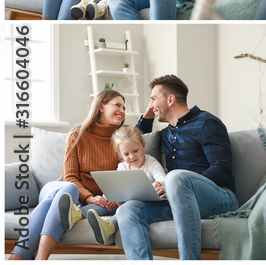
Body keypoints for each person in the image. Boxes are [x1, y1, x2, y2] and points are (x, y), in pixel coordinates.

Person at [116, 75, 237, 259]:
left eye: (153, 98)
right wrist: (148, 114)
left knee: (174, 177)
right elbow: (132, 139)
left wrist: (178, 185)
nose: (151, 104)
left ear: (170, 99)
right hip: (178, 201)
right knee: (127, 210)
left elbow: (222, 169)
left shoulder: (207, 122)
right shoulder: (167, 133)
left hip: (219, 198)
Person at [8, 90, 126, 260]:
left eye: (124, 107)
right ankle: (40, 259)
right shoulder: (78, 134)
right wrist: (89, 198)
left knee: (49, 205)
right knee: (69, 189)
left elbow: (125, 171)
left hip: (73, 202)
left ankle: (21, 258)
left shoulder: (120, 141)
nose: (122, 110)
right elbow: (69, 176)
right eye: (117, 105)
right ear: (101, 106)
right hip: (60, 187)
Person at [85, 126, 168, 245]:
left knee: (126, 208)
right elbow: (117, 186)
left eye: (135, 151)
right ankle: (78, 214)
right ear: (120, 154)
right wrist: (110, 196)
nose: (132, 157)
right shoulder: (122, 167)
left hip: (141, 204)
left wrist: (158, 183)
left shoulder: (151, 163)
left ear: (143, 146)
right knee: (104, 203)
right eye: (126, 154)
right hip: (123, 202)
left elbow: (162, 178)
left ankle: (109, 225)